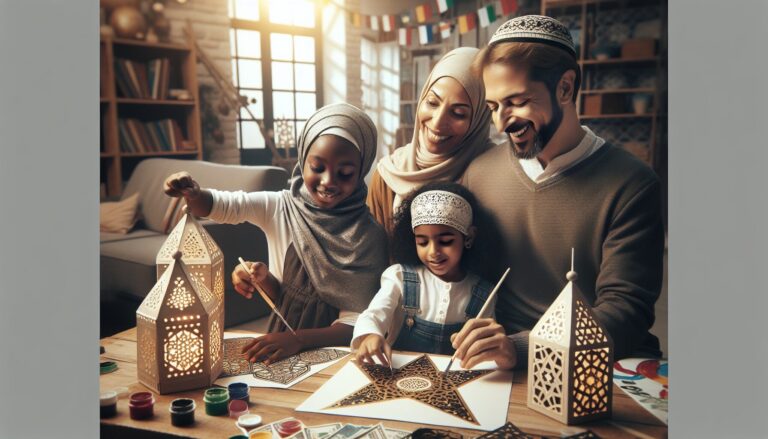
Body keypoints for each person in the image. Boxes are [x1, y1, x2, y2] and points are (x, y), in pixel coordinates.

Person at [454, 15, 665, 370]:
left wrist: (523, 348)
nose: (502, 122)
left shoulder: (632, 184)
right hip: (499, 365)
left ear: (565, 88)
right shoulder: (478, 174)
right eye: (493, 107)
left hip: (599, 364)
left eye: (517, 101)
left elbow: (626, 310)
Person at [164, 103, 389, 364]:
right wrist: (193, 193)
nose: (328, 181)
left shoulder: (369, 237)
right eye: (317, 168)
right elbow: (227, 206)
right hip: (279, 344)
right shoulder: (281, 207)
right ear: (303, 160)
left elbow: (356, 324)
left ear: (361, 171)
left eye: (345, 173)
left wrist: (298, 340)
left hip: (334, 355)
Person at [353, 182, 494, 366]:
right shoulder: (399, 277)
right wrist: (371, 336)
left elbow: (485, 345)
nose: (433, 251)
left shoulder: (484, 292)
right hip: (397, 377)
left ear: (468, 237)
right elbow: (373, 315)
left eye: (445, 241)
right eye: (422, 242)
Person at [368, 47, 494, 236]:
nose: (437, 122)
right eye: (433, 103)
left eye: (458, 113)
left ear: (479, 119)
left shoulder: (494, 175)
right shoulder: (388, 175)